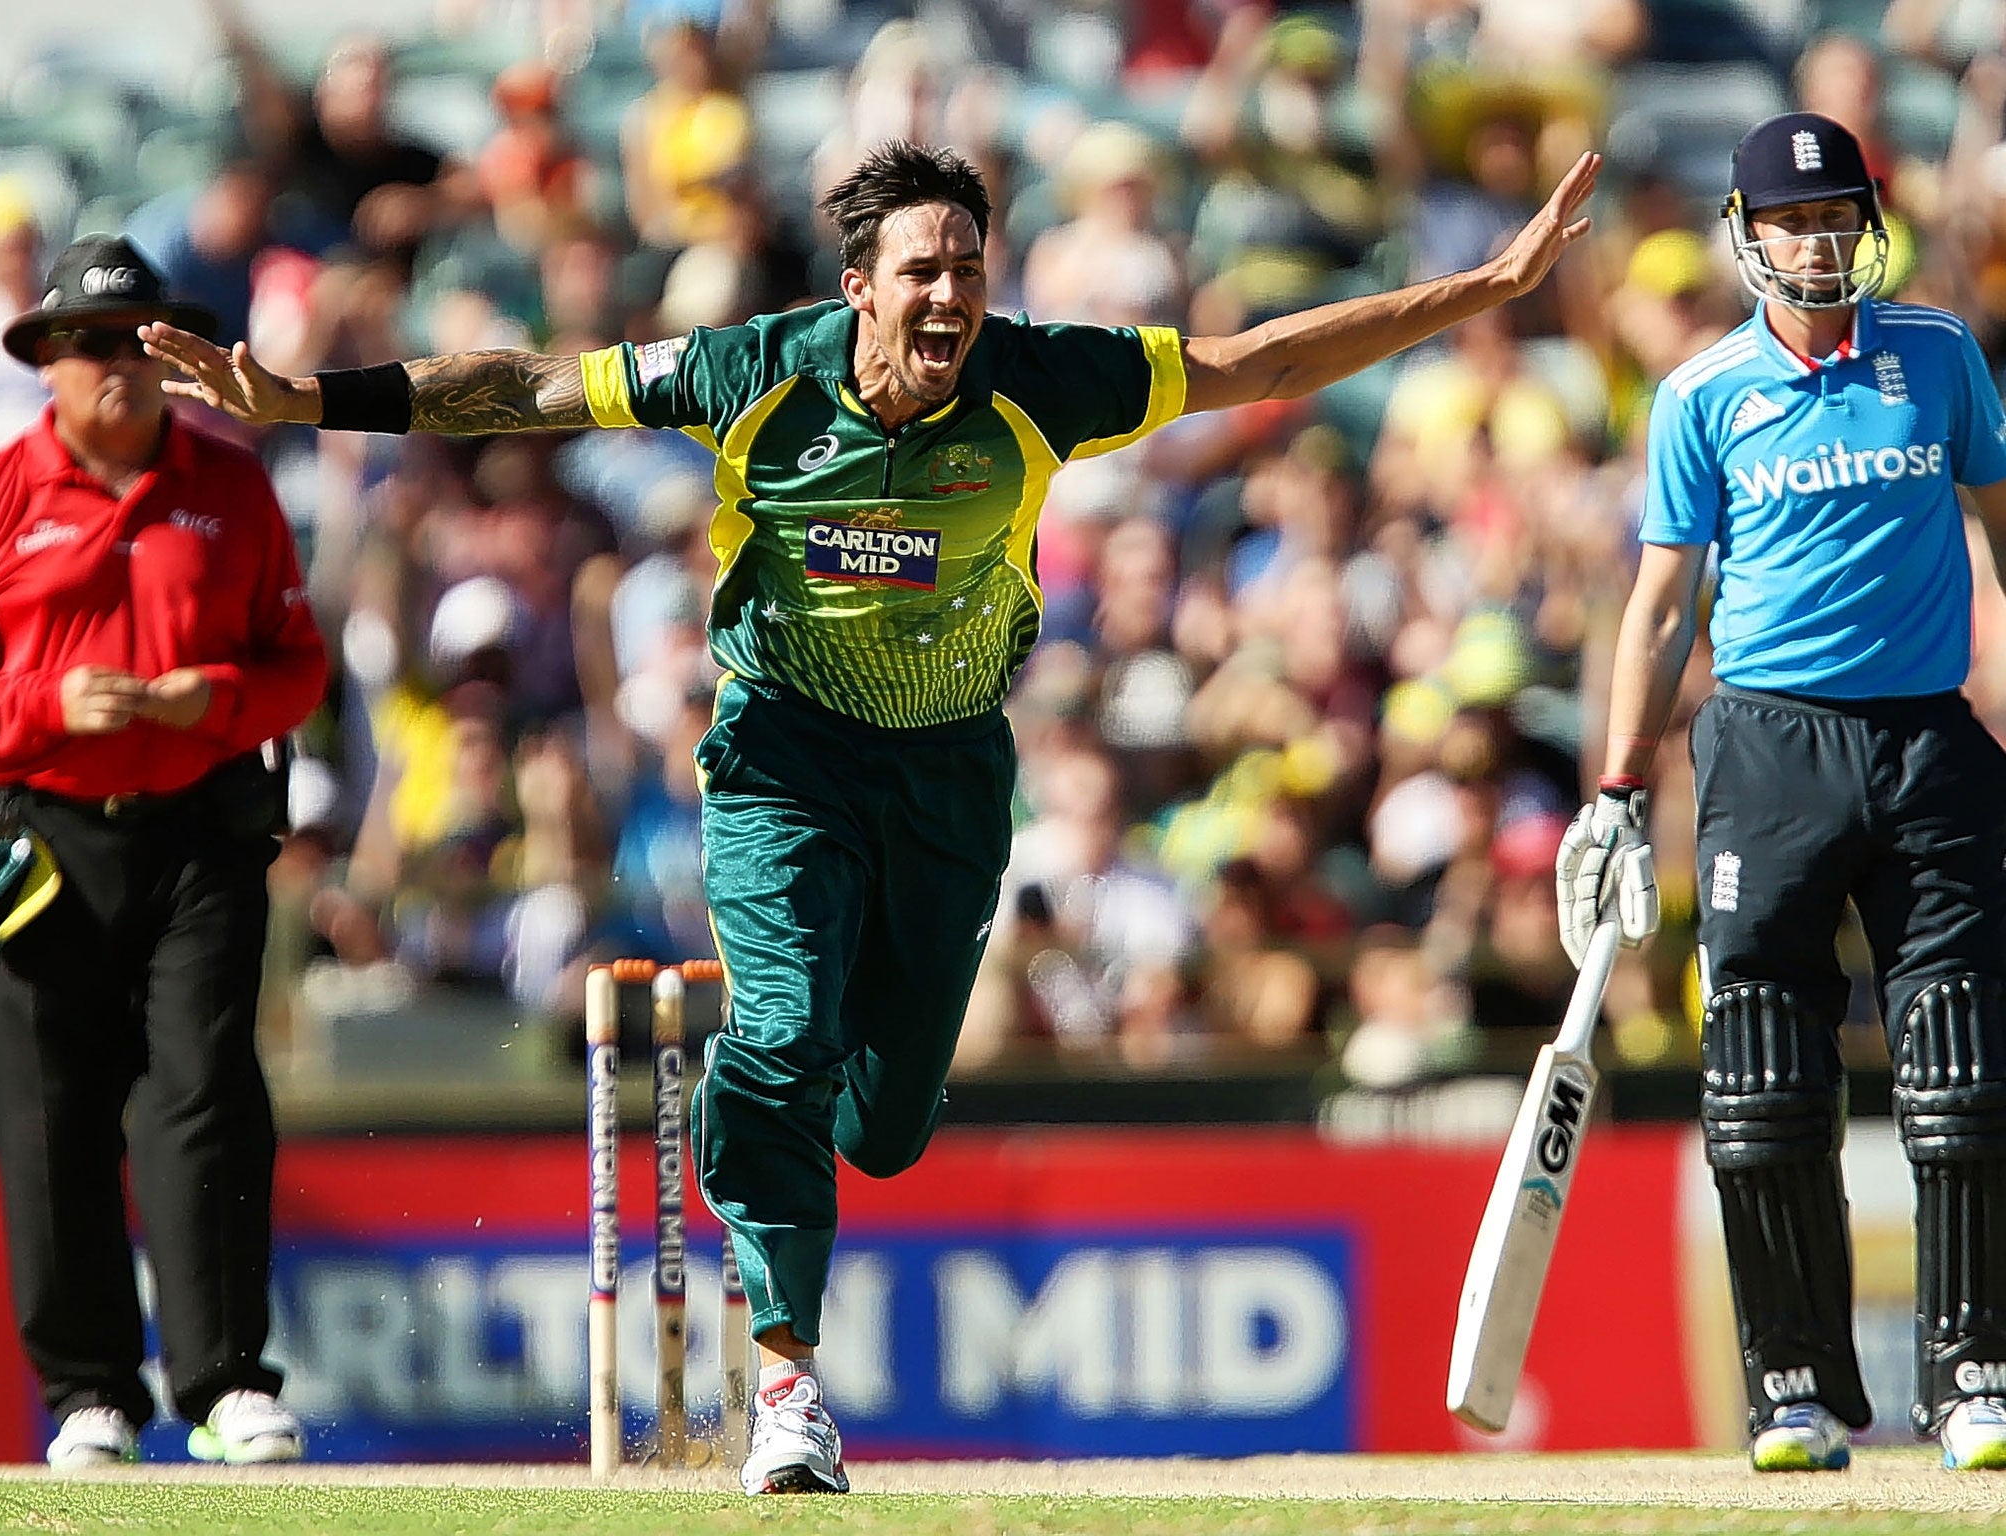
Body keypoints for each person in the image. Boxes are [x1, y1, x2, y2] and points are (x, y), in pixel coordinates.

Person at [144, 138, 1599, 1494]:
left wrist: (1481, 288)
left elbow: (1256, 360)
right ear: (860, 288)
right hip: (781, 753)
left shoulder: (1043, 380)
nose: (953, 290)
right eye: (924, 267)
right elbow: (527, 386)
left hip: (952, 773)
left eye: (970, 265)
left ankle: (770, 1123)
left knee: (889, 1126)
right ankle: (788, 1384)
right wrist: (301, 398)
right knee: (779, 1037)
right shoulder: (755, 373)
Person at [1556, 112, 2006, 1474]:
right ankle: (1794, 1389)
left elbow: (2000, 538)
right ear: (1746, 234)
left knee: (1968, 1068)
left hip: (1930, 741)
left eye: (1837, 215)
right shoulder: (1702, 395)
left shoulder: (1936, 358)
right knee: (1759, 1077)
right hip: (1768, 749)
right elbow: (1654, 610)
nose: (1819, 240)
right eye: (1792, 219)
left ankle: (1976, 1373)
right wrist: (1619, 791)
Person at [0, 236, 328, 1467]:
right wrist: (50, 708)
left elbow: (297, 667)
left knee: (206, 1085)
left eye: (138, 344)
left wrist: (203, 701)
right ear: (50, 362)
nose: (119, 365)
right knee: (50, 1107)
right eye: (94, 345)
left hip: (197, 832)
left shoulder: (231, 484)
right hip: (40, 840)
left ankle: (223, 1381)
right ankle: (87, 1394)